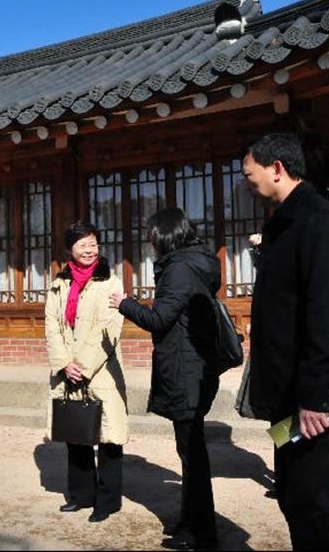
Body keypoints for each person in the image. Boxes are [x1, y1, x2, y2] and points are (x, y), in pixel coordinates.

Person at [240, 132, 329, 550]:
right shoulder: (282, 222)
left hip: (313, 397)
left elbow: (326, 313)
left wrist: (314, 395)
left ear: (277, 169)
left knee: (316, 502)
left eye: (249, 173)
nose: (246, 182)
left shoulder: (319, 222)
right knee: (293, 495)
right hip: (285, 391)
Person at [110, 207, 222, 550]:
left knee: (191, 454)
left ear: (165, 236)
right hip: (197, 364)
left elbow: (160, 319)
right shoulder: (200, 260)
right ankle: (193, 521)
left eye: (152, 237)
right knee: (192, 452)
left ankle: (200, 533)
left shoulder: (179, 268)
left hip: (185, 369)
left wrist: (125, 303)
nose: (150, 243)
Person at [45, 220, 127, 523]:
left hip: (101, 369)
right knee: (76, 431)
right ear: (70, 249)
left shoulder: (111, 281)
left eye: (93, 243)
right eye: (82, 245)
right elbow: (51, 325)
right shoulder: (59, 283)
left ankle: (107, 501)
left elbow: (110, 326)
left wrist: (84, 364)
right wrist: (64, 363)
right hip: (67, 369)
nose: (89, 250)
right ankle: (81, 495)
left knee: (108, 436)